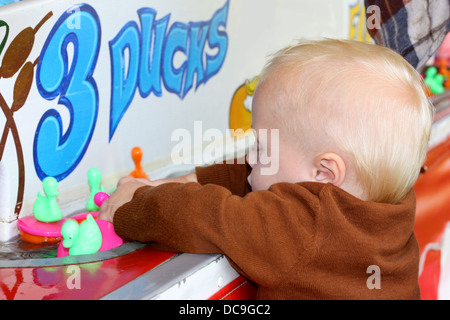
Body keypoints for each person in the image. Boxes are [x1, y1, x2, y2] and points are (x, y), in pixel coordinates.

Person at [98, 39, 434, 299]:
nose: (252, 155)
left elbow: (201, 215)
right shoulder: (390, 204)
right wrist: (193, 177)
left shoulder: (303, 226)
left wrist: (134, 201)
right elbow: (255, 174)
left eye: (261, 145)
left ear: (324, 173)